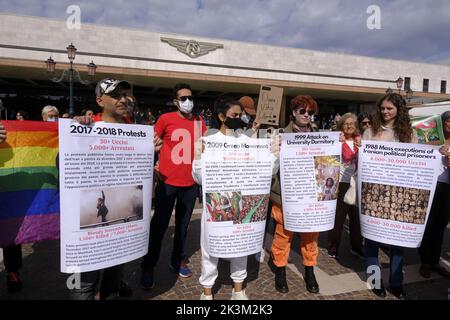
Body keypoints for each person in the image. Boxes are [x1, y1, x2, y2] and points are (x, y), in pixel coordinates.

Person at [68, 78, 141, 300]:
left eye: (126, 94)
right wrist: (75, 131)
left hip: (121, 217)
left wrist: (151, 151)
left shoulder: (135, 131)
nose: (123, 99)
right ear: (100, 100)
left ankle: (114, 286)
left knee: (114, 272)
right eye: (116, 95)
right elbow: (64, 165)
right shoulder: (84, 127)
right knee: (83, 283)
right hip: (89, 221)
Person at [140, 83, 206, 289]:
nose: (188, 101)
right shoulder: (165, 119)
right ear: (175, 101)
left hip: (190, 184)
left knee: (183, 227)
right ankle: (148, 266)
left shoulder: (199, 122)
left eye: (190, 97)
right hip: (168, 183)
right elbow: (152, 143)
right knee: (159, 226)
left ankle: (177, 259)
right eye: (183, 98)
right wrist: (154, 165)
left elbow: (204, 148)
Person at [363, 92, 418, 300]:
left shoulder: (408, 133)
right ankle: (375, 280)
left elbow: (416, 160)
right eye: (383, 108)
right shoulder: (370, 131)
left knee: (397, 241)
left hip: (399, 194)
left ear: (398, 110)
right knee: (372, 239)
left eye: (390, 109)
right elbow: (363, 161)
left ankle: (397, 283)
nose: (385, 112)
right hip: (374, 193)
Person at [269, 95, 321, 294]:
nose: (306, 115)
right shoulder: (280, 135)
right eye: (302, 111)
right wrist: (277, 151)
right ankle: (280, 271)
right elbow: (271, 167)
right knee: (283, 235)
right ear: (293, 113)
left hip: (310, 196)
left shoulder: (319, 135)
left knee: (310, 236)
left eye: (310, 112)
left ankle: (310, 271)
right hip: (286, 195)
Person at [418, 111, 450, 278]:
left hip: (448, 188)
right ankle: (424, 261)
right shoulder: (433, 139)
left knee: (440, 225)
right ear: (442, 123)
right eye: (448, 121)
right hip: (431, 185)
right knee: (428, 224)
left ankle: (435, 261)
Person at [328, 113, 364, 260]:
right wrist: (336, 143)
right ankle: (334, 244)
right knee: (339, 216)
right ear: (341, 125)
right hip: (341, 182)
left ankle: (356, 245)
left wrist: (362, 146)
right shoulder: (336, 139)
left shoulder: (360, 140)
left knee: (356, 218)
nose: (349, 126)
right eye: (346, 123)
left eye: (352, 124)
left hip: (357, 181)